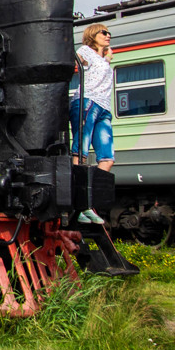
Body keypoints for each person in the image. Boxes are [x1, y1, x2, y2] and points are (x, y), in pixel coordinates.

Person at [71, 23, 114, 225]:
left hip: (104, 107)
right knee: (81, 152)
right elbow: (76, 63)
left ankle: (89, 203)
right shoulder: (85, 51)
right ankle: (78, 205)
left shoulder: (103, 58)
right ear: (92, 35)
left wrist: (105, 59)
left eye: (109, 33)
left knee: (107, 158)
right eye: (104, 33)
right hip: (88, 101)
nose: (108, 36)